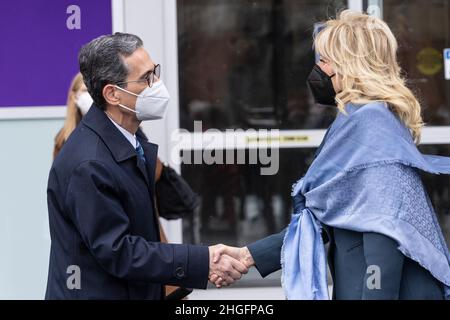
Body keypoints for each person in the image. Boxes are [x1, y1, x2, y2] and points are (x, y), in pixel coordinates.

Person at [210, 10, 450, 300]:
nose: (318, 69)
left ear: (350, 66)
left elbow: (384, 229)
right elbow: (327, 213)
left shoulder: (372, 123)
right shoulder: (357, 118)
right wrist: (249, 255)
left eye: (324, 60)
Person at [45, 32, 248, 300]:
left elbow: (165, 212)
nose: (157, 85)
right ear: (113, 94)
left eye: (155, 73)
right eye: (146, 79)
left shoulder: (130, 138)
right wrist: (203, 260)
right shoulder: (89, 163)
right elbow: (119, 252)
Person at [52, 72, 195, 298]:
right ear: (74, 97)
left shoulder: (132, 136)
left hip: (144, 244)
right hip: (106, 260)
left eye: (92, 92)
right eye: (84, 92)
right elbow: (110, 243)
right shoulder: (72, 148)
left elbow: (161, 187)